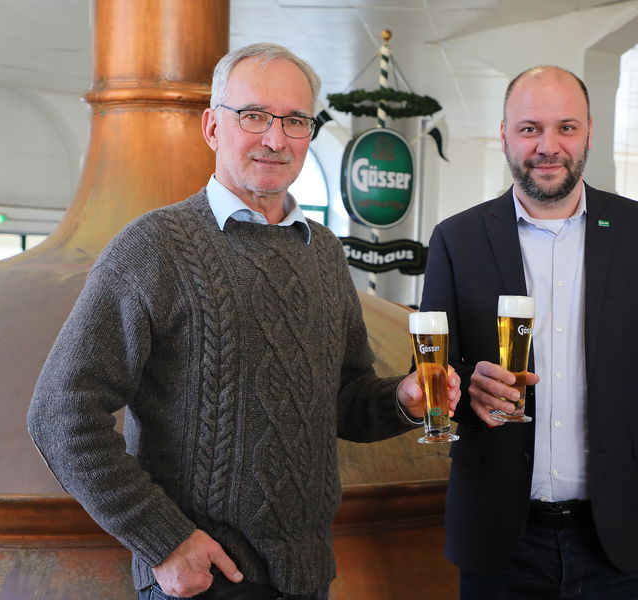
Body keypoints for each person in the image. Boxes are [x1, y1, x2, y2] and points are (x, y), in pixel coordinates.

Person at [27, 42, 459, 600]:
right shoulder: (154, 248)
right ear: (212, 126)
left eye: (296, 120)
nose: (275, 139)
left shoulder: (323, 252)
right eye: (254, 116)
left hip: (307, 578)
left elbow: (345, 402)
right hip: (202, 582)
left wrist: (404, 400)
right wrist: (165, 541)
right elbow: (61, 413)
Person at [419, 65, 638, 599]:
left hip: (619, 532)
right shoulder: (455, 240)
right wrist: (470, 388)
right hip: (498, 535)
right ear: (505, 135)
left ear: (589, 133)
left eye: (566, 127)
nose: (548, 146)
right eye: (530, 128)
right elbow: (435, 376)